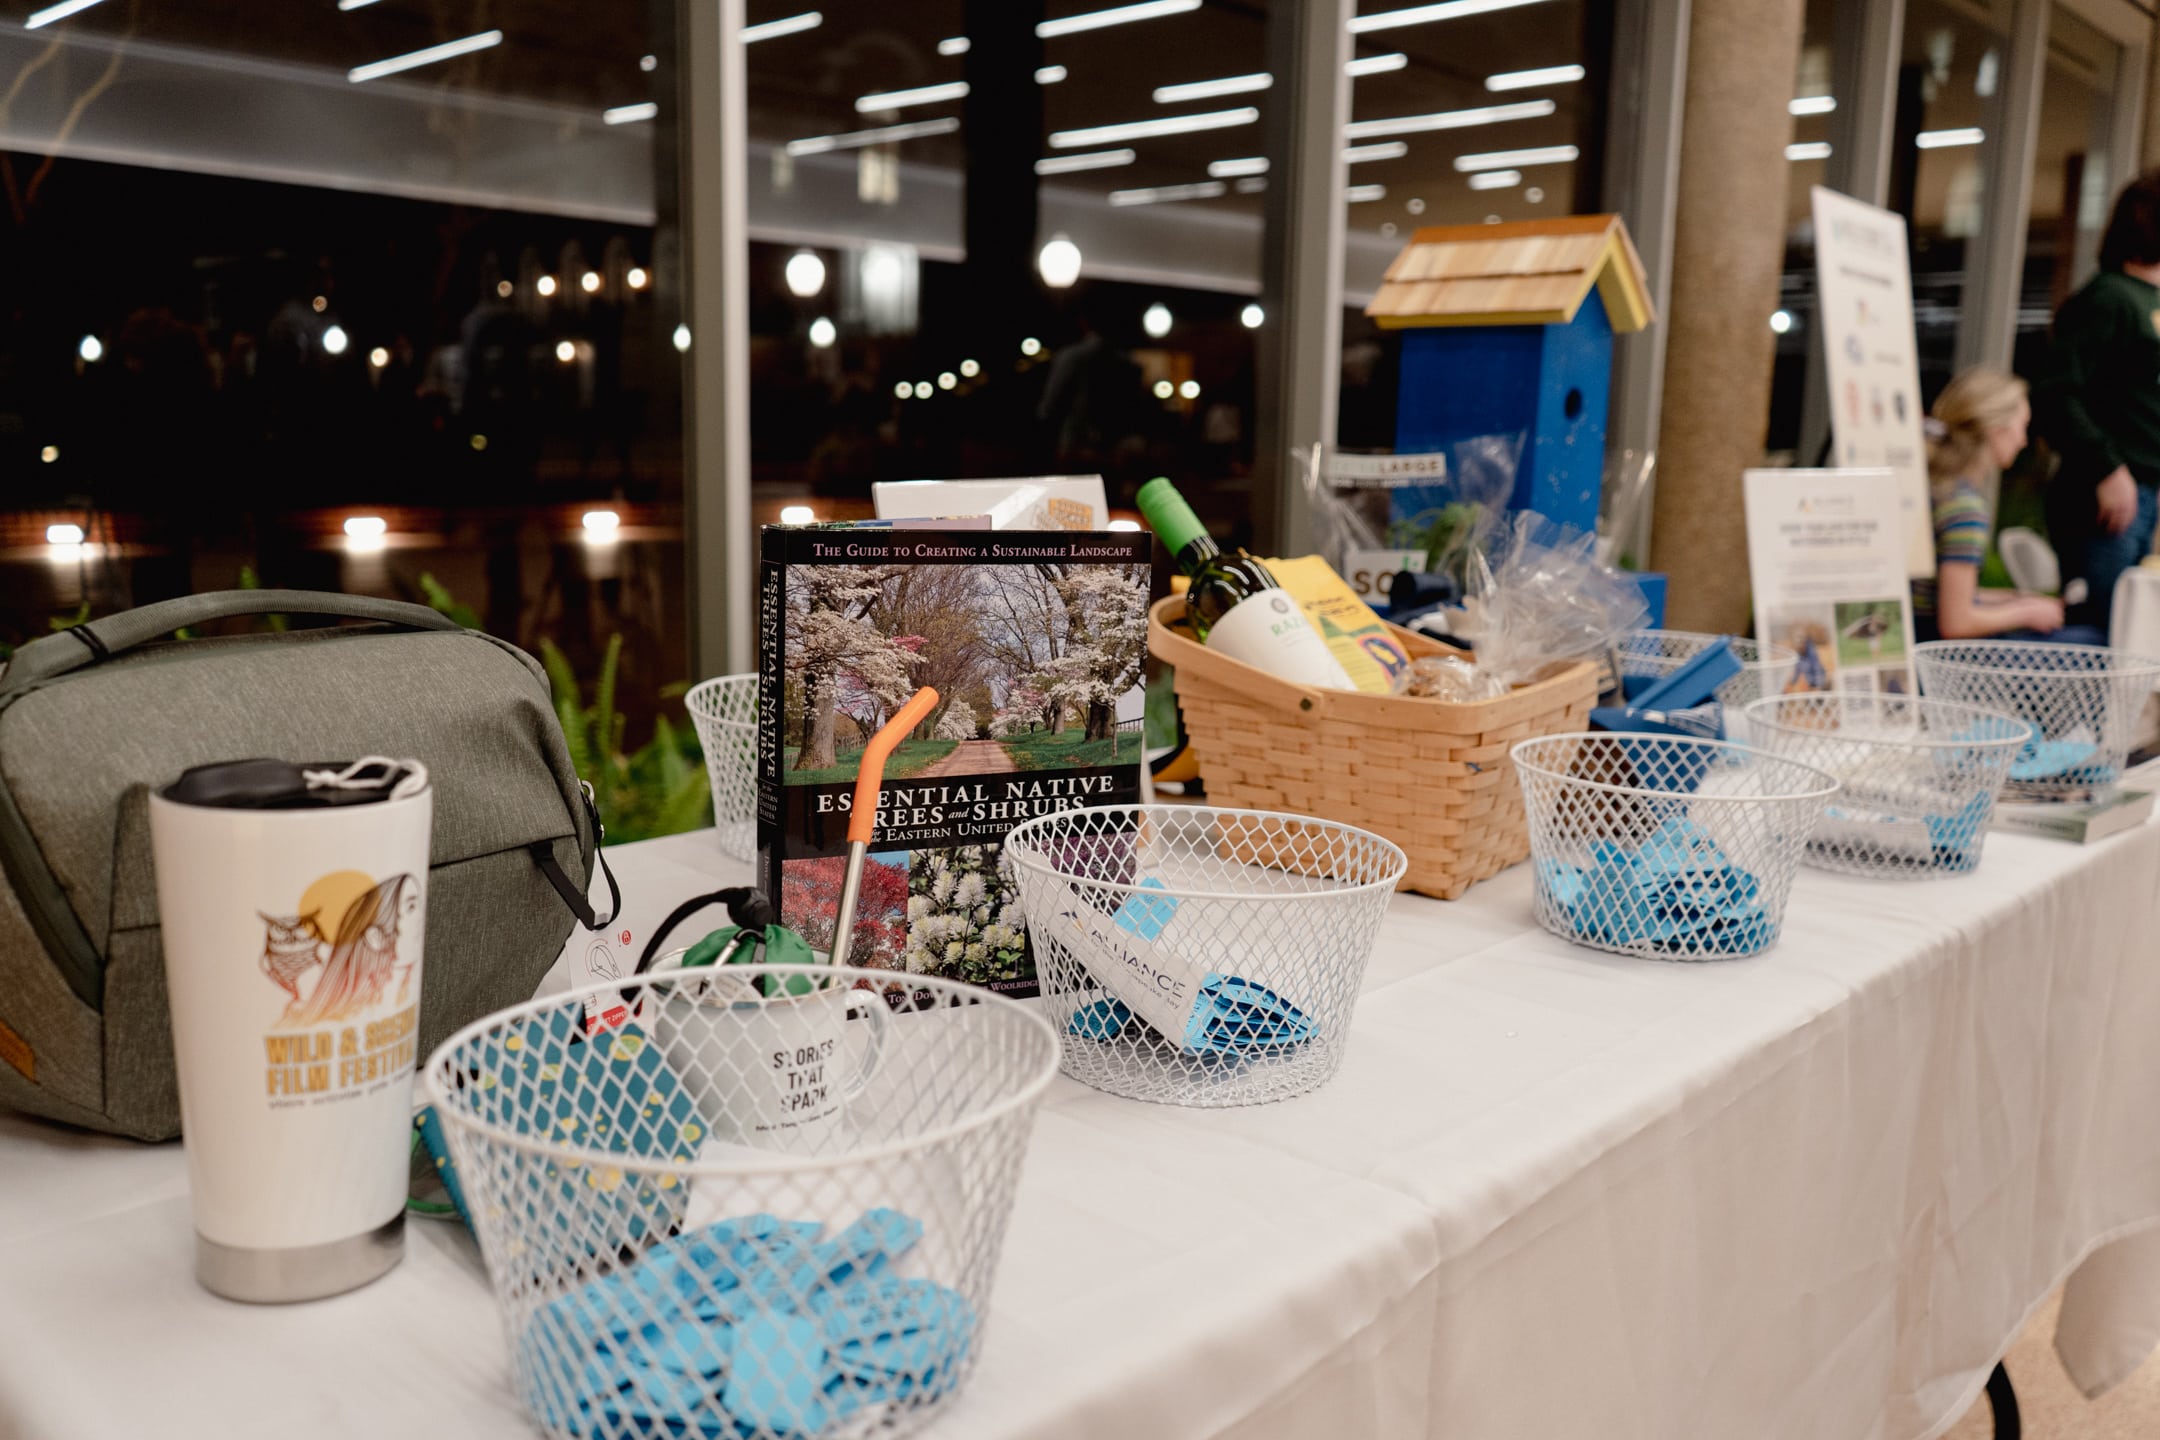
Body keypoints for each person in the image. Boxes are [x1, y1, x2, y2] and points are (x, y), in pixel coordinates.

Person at [2032, 169, 2160, 633]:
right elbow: (2054, 393)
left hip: (2144, 493)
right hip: (2107, 495)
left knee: (2130, 636)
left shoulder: (2147, 299)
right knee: (2103, 635)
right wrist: (2106, 468)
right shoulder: (2108, 298)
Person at [1913, 368, 2095, 643]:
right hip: (1938, 656)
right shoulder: (1964, 507)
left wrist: (2013, 600)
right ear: (1997, 431)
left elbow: (1936, 597)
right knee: (2091, 644)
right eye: (2023, 426)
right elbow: (1956, 622)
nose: (2024, 441)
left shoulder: (1933, 487)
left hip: (1915, 637)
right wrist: (2025, 614)